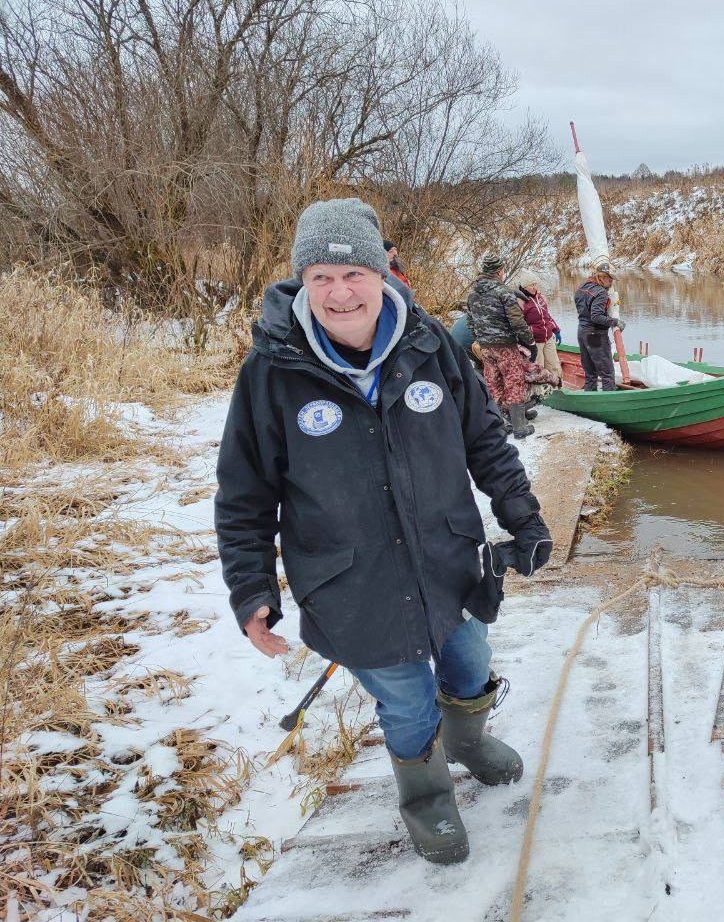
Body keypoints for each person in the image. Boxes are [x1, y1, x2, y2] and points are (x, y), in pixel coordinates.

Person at [214, 198, 552, 864]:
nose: (340, 293)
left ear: (381, 275)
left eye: (353, 275)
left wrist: (524, 517)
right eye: (321, 277)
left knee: (470, 663)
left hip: (447, 560)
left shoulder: (430, 347)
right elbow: (244, 491)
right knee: (404, 700)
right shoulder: (270, 372)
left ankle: (469, 740)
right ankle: (426, 796)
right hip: (350, 581)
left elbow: (485, 441)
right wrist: (250, 587)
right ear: (302, 283)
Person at [466, 254, 538, 438]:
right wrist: (529, 342)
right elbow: (517, 322)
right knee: (514, 382)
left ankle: (500, 425)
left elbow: (470, 322)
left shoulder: (473, 293)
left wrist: (482, 340)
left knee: (493, 383)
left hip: (485, 346)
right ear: (499, 271)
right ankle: (520, 427)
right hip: (505, 345)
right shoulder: (504, 292)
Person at [574, 256, 625, 391]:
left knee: (590, 372)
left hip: (582, 332)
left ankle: (589, 396)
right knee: (607, 372)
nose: (611, 282)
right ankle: (610, 400)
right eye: (609, 279)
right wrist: (615, 321)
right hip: (595, 335)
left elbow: (582, 308)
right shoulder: (601, 293)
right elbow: (596, 316)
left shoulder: (582, 287)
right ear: (601, 277)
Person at [516, 276, 563, 386]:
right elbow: (518, 323)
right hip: (534, 341)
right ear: (524, 287)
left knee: (554, 365)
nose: (534, 287)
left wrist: (556, 329)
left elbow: (547, 316)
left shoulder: (540, 297)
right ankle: (541, 391)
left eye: (535, 284)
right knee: (539, 369)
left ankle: (558, 387)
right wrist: (531, 332)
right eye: (531, 285)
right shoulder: (520, 301)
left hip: (548, 337)